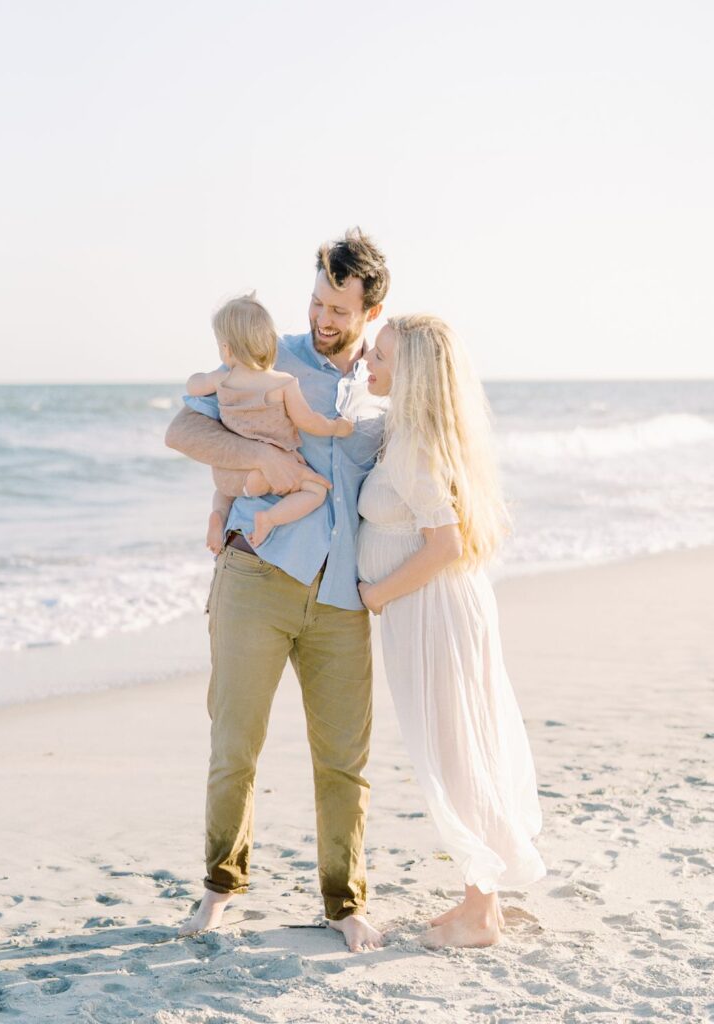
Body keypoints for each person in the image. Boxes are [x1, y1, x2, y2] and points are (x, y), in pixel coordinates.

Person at [165, 228, 390, 952]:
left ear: (370, 311)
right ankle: (219, 889)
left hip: (342, 597)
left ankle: (343, 901)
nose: (323, 317)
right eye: (318, 300)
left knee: (344, 761)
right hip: (255, 576)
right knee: (235, 744)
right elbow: (184, 428)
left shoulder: (387, 388)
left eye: (339, 309)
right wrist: (259, 453)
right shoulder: (267, 358)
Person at [356, 314, 546, 949]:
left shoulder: (414, 448)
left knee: (459, 755)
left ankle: (481, 912)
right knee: (462, 748)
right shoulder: (409, 434)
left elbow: (445, 543)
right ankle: (478, 897)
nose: (367, 361)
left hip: (431, 611)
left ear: (411, 375)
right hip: (431, 610)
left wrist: (377, 593)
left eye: (380, 355)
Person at [186, 292, 353, 553]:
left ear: (227, 349)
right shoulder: (282, 383)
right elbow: (308, 421)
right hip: (264, 475)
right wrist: (336, 427)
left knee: (224, 496)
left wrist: (205, 376)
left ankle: (218, 516)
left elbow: (194, 386)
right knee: (316, 491)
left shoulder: (222, 380)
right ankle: (269, 519)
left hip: (227, 474)